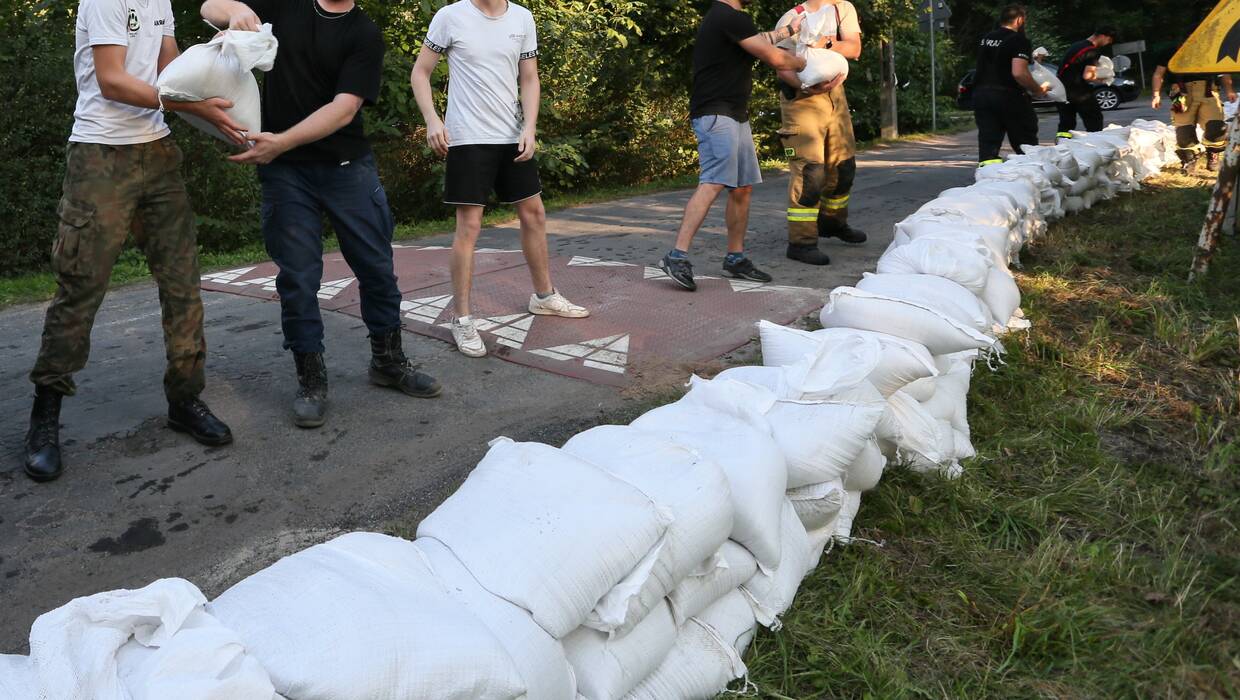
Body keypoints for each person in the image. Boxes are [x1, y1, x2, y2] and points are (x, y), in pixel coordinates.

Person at [23, 0, 245, 483]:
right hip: (100, 155)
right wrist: (188, 103)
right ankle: (45, 416)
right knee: (81, 288)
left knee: (184, 284)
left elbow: (170, 70)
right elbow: (112, 80)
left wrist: (221, 72)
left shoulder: (159, 1)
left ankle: (185, 401)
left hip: (158, 152)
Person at [202, 0, 442, 429]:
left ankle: (388, 362)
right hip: (286, 176)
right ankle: (310, 379)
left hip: (346, 167)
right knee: (298, 278)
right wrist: (236, 10)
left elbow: (344, 108)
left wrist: (281, 142)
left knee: (376, 269)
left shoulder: (363, 32)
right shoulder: (283, 5)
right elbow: (208, 7)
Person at [411, 0, 589, 359]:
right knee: (469, 226)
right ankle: (461, 318)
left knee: (534, 214)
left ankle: (544, 296)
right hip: (467, 137)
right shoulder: (450, 17)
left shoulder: (523, 17)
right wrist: (432, 119)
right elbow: (420, 72)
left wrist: (529, 126)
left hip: (512, 137)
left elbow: (529, 77)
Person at [658, 0, 809, 291]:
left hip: (734, 115)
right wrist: (805, 61)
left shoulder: (729, 19)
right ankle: (676, 255)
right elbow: (776, 60)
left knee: (742, 188)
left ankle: (735, 258)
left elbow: (760, 40)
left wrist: (788, 31)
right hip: (717, 115)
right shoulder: (728, 15)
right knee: (713, 181)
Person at [773, 0, 866, 266]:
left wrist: (823, 43)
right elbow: (781, 65)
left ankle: (832, 223)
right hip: (801, 99)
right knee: (810, 172)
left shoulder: (842, 9)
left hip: (836, 94)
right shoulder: (790, 19)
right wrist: (805, 86)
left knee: (844, 167)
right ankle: (801, 242)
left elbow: (854, 48)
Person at [972, 5, 1048, 167]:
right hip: (1008, 96)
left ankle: (988, 178)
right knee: (1025, 140)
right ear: (1019, 20)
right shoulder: (1019, 40)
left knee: (988, 141)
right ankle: (1030, 174)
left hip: (981, 95)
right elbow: (1019, 72)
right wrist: (1037, 90)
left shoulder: (986, 38)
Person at [1152, 48, 1236, 172]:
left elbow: (1223, 72)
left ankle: (1213, 153)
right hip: (1180, 93)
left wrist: (1229, 90)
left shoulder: (1212, 49)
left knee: (1216, 128)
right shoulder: (1171, 51)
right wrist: (1156, 94)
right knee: (1183, 132)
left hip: (1208, 91)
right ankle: (1189, 159)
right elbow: (1158, 74)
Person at [1055, 26, 1117, 139]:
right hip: (1079, 91)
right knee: (1095, 119)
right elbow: (1088, 76)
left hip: (1061, 90)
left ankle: (1061, 145)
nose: (1107, 43)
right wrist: (1102, 80)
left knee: (1066, 123)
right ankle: (1094, 143)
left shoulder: (1077, 46)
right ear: (1103, 36)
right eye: (1108, 40)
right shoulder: (1092, 51)